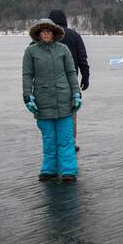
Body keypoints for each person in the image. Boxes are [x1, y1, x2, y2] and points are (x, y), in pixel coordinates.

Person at [22, 18, 81, 181]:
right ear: (38, 34)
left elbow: (71, 72)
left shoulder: (63, 49)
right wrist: (28, 96)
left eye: (49, 31)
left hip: (64, 97)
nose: (46, 33)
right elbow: (27, 75)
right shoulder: (31, 52)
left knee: (66, 137)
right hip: (43, 99)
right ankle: (49, 168)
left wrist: (76, 93)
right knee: (48, 137)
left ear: (54, 33)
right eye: (43, 31)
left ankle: (68, 169)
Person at [49, 9, 90, 151]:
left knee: (52, 112)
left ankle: (54, 142)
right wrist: (85, 76)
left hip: (50, 81)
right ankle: (71, 141)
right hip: (71, 79)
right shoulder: (74, 35)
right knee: (72, 111)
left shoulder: (48, 36)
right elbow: (82, 57)